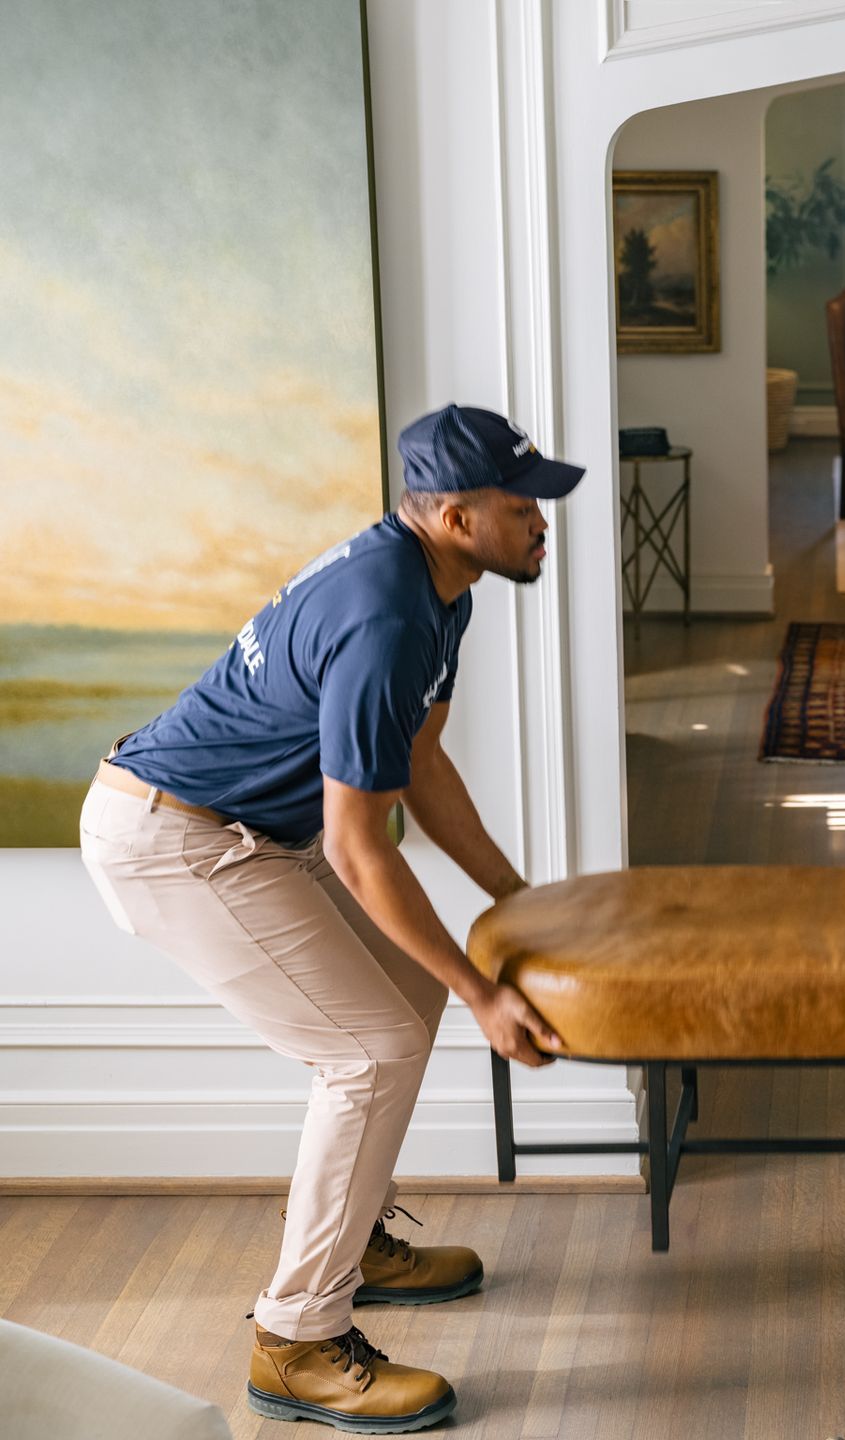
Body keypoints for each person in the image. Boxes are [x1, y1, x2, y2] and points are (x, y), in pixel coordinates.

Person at [78, 404, 582, 1433]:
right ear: (451, 514)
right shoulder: (389, 614)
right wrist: (484, 991)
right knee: (374, 1047)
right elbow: (362, 847)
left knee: (401, 1004)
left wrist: (518, 900)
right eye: (520, 504)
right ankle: (297, 1340)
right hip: (179, 842)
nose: (542, 521)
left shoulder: (446, 589)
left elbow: (422, 770)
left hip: (253, 832)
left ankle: (342, 1246)